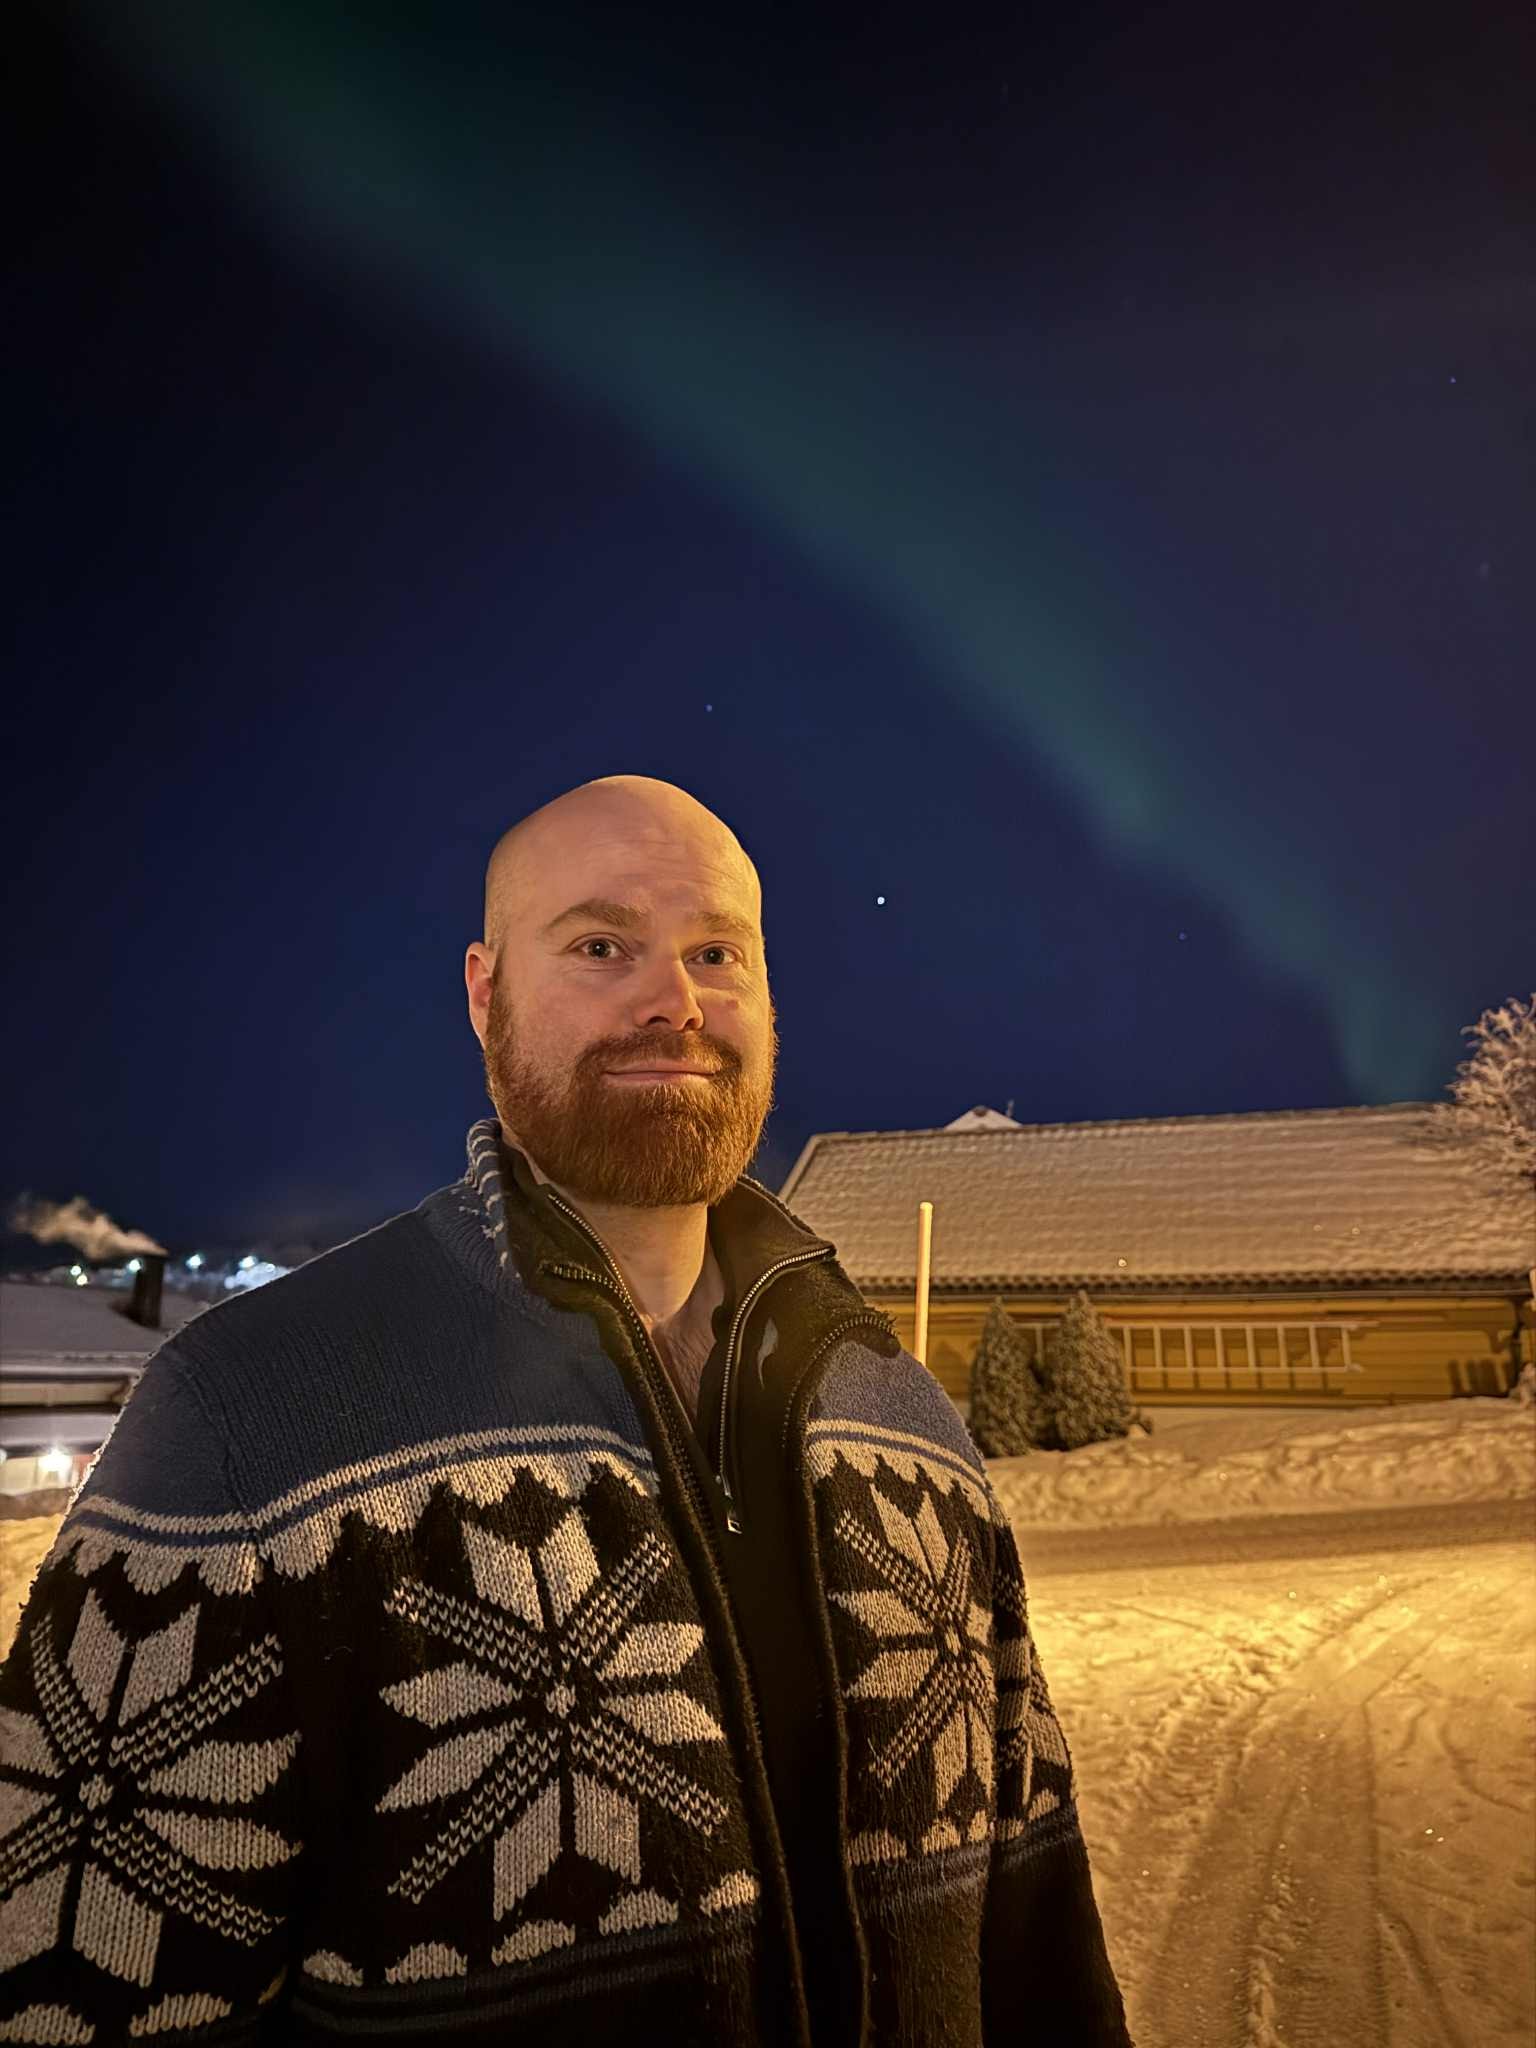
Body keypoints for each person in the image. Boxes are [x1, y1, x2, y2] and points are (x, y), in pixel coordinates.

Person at [0, 775, 1131, 2044]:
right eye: (602, 946)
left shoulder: (903, 1417)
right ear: (484, 994)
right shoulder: (247, 1416)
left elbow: (1042, 1946)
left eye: (717, 953)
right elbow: (66, 1991)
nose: (674, 999)